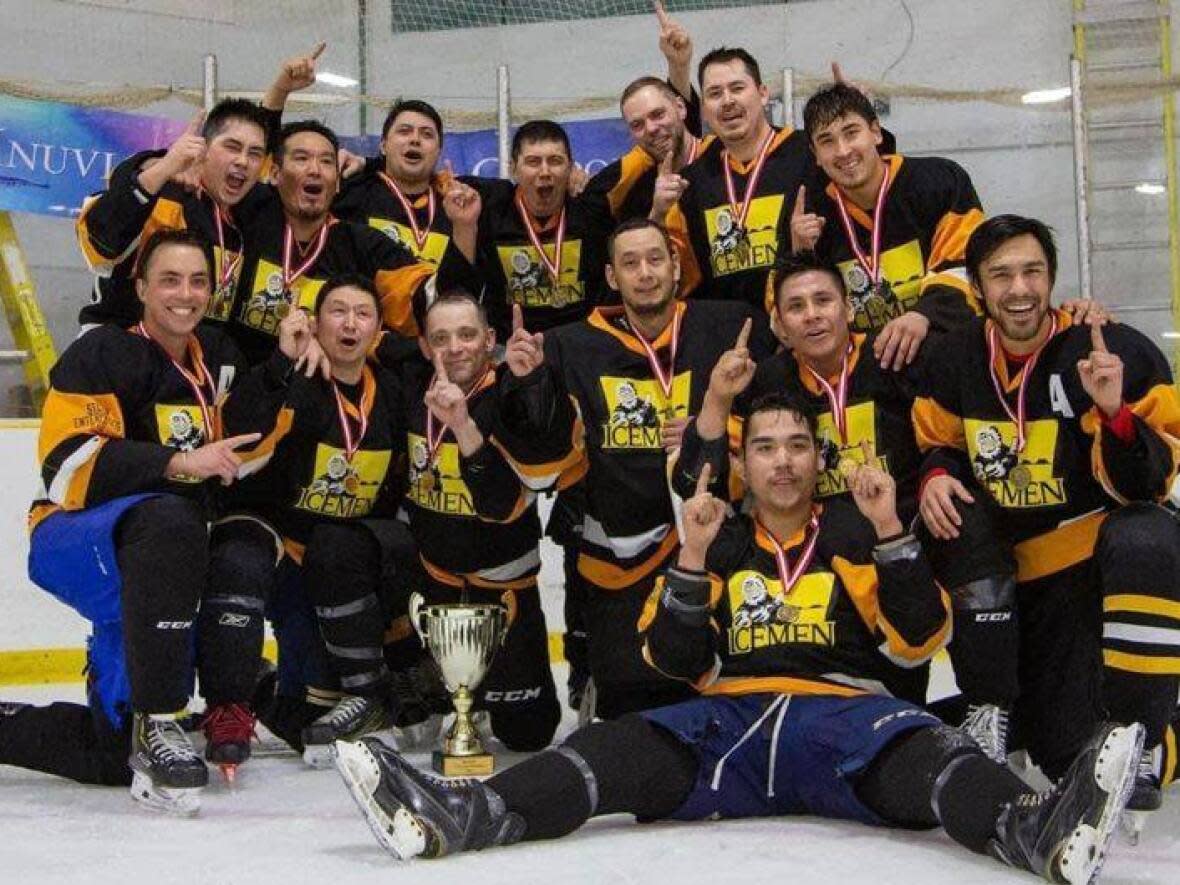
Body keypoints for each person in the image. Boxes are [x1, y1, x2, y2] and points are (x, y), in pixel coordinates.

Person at [332, 392, 1142, 885]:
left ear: (818, 457)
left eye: (797, 446)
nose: (782, 462)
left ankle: (1037, 830)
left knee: (939, 758)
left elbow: (920, 639)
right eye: (764, 448)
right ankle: (463, 815)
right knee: (611, 750)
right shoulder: (716, 536)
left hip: (848, 724)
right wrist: (687, 553)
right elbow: (670, 661)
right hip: (726, 727)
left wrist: (895, 531)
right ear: (743, 464)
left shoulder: (860, 531)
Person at [912, 214, 1180, 820]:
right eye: (1001, 275)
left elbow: (1151, 482)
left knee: (1150, 533)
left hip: (1095, 568)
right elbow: (941, 441)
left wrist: (1114, 413)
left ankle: (1145, 734)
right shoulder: (955, 359)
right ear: (977, 288)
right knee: (1062, 752)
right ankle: (995, 705)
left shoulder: (1111, 348)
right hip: (1021, 582)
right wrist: (935, 473)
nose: (1020, 289)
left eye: (1033, 271)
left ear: (1053, 278)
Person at [0, 230, 259, 813]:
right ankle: (161, 720)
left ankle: (159, 715)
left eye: (197, 281)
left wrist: (292, 360)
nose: (185, 294)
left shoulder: (220, 357)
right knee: (168, 519)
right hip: (74, 538)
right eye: (169, 279)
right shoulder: (101, 354)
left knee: (111, 751)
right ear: (140, 287)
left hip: (163, 562)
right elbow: (64, 467)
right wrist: (176, 461)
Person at [495, 217, 774, 719]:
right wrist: (530, 383)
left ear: (675, 266)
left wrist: (716, 423)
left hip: (719, 544)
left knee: (723, 700)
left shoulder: (729, 325)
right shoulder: (566, 345)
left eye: (655, 259)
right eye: (630, 263)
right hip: (621, 556)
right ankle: (596, 672)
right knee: (634, 708)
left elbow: (781, 419)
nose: (645, 273)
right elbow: (542, 463)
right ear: (610, 275)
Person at [220, 275, 428, 765]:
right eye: (337, 311)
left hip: (357, 557)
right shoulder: (294, 380)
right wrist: (281, 364)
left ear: (378, 330)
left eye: (362, 313)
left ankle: (390, 674)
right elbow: (242, 448)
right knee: (306, 721)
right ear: (315, 323)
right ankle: (260, 683)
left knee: (367, 543)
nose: (350, 323)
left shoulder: (394, 394)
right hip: (295, 561)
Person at [379, 291, 564, 753]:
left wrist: (462, 424)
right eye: (440, 338)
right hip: (434, 580)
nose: (455, 347)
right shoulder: (409, 383)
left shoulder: (512, 394)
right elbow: (365, 338)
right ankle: (418, 679)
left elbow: (501, 504)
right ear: (423, 346)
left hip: (504, 587)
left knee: (529, 734)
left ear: (490, 339)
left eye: (467, 334)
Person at [228, 120, 482, 365]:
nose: (315, 169)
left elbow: (433, 300)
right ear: (274, 173)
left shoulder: (361, 243)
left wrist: (463, 227)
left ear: (338, 181)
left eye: (327, 161)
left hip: (326, 394)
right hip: (245, 387)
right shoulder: (246, 217)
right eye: (302, 158)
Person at [786, 83, 984, 370]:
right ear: (815, 155)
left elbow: (967, 265)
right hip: (866, 378)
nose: (842, 151)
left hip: (947, 360)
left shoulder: (939, 181)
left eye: (851, 133)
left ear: (876, 132)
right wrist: (800, 256)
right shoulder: (806, 214)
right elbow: (782, 316)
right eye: (827, 141)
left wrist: (924, 315)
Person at [472, 120, 616, 338]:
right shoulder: (491, 208)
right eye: (533, 162)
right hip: (509, 346)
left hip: (580, 347)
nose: (545, 171)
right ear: (513, 168)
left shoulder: (592, 213)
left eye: (555, 161)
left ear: (570, 167)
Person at [582, 2, 706, 224]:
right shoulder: (631, 192)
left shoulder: (719, 156)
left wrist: (679, 65)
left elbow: (687, 131)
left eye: (658, 114)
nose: (651, 128)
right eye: (637, 124)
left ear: (680, 107)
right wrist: (658, 213)